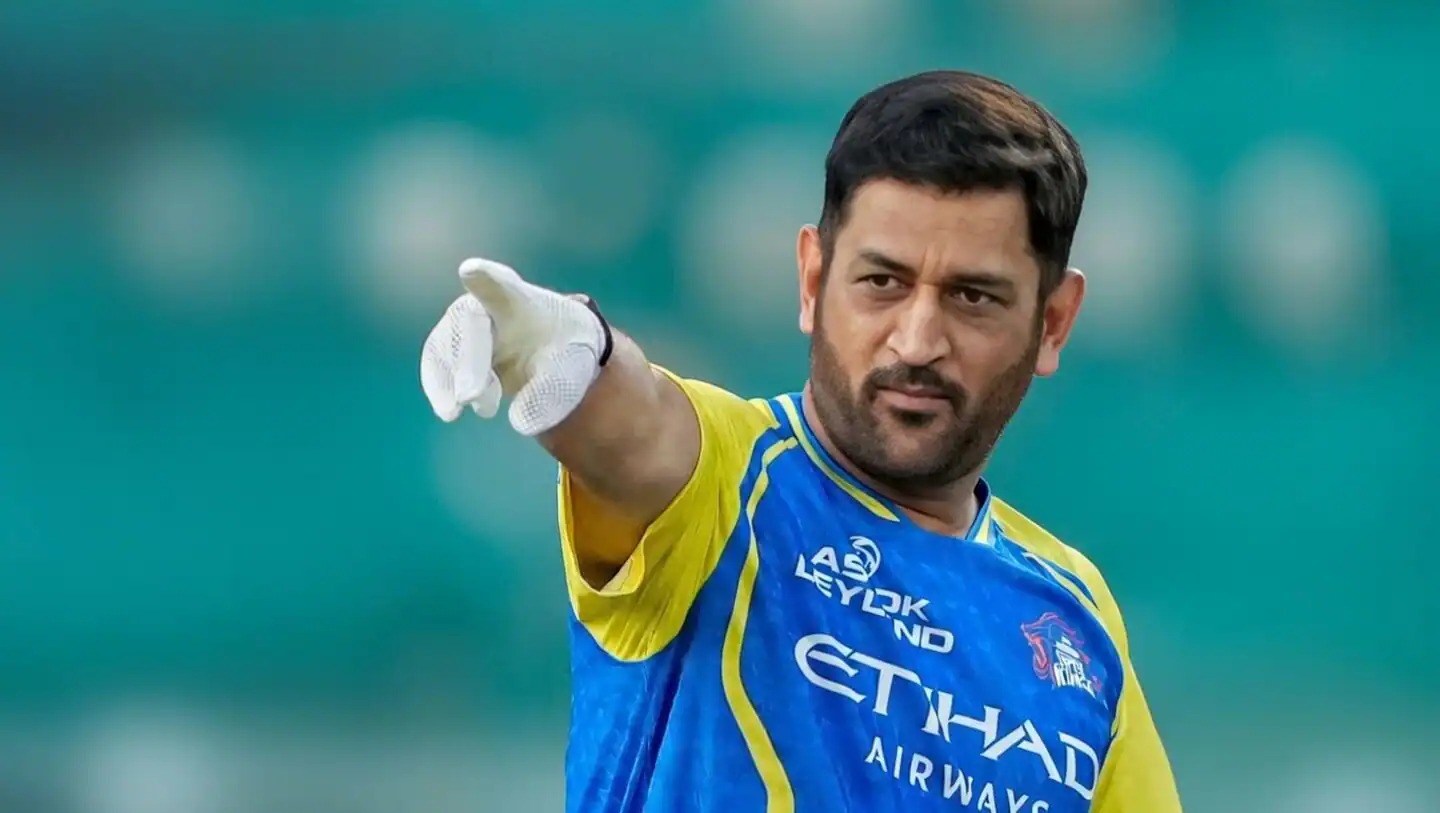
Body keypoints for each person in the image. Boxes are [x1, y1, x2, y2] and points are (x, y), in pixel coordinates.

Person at [420, 69, 1182, 813]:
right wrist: (565, 347)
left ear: (1053, 322)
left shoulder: (1075, 616)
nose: (917, 341)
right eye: (882, 283)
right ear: (813, 280)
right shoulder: (732, 480)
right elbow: (636, 427)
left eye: (972, 296)